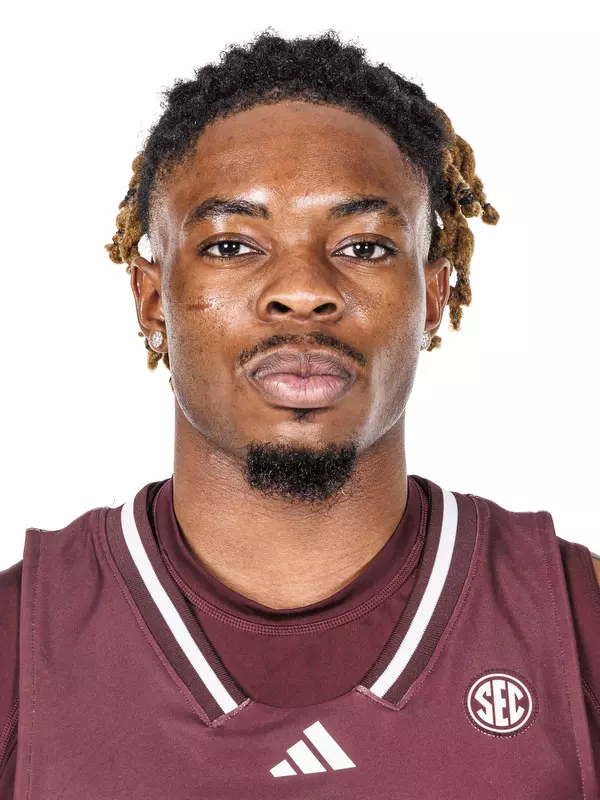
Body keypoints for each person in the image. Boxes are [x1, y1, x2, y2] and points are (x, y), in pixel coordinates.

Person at [1, 28, 598, 799]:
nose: (304, 290)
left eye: (364, 247)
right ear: (151, 300)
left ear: (435, 296)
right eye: (231, 245)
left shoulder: (575, 623)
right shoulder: (20, 650)